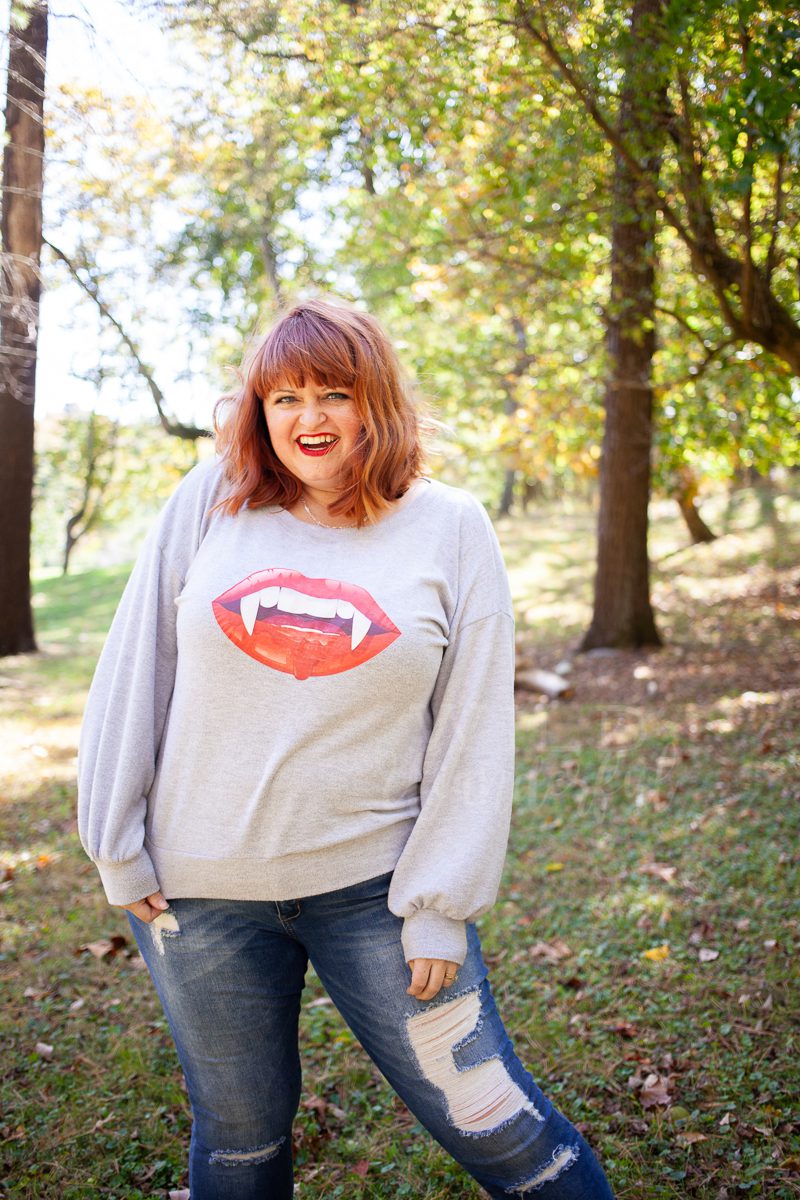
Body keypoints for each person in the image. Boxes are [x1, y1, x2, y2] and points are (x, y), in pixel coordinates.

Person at [77, 295, 614, 1199]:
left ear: (377, 403)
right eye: (284, 397)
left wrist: (440, 903)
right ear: (259, 410)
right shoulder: (210, 500)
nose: (308, 418)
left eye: (333, 393)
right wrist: (115, 846)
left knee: (505, 1133)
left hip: (378, 895)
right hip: (198, 898)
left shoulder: (451, 527)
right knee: (239, 1144)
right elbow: (136, 668)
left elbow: (472, 729)